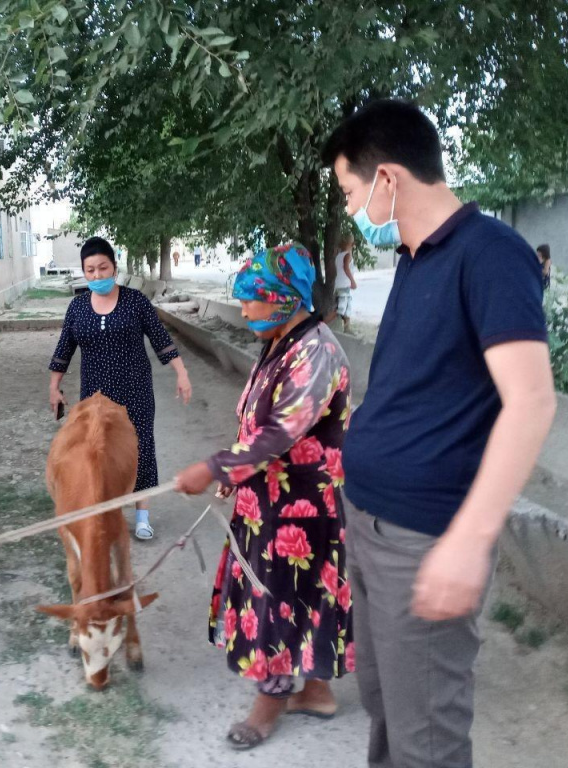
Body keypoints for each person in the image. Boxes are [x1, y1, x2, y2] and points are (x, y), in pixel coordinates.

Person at [321, 99, 556, 767]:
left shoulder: (491, 255)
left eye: (350, 191)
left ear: (388, 179)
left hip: (425, 539)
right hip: (369, 523)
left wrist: (468, 542)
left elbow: (532, 402)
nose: (349, 208)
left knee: (428, 739)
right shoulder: (415, 258)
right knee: (386, 707)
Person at [176, 243, 354, 751]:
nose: (245, 309)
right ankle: (316, 692)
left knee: (280, 599)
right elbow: (255, 425)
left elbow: (279, 434)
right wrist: (235, 474)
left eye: (254, 299)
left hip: (299, 509)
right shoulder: (282, 342)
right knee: (308, 597)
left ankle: (269, 704)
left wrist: (213, 467)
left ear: (283, 298)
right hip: (270, 500)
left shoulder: (316, 353)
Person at [49, 236, 193, 541]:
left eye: (103, 267)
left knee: (141, 450)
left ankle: (142, 516)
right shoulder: (77, 308)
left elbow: (160, 339)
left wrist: (181, 374)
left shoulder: (135, 302)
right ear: (84, 272)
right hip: (95, 399)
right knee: (98, 453)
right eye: (90, 270)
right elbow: (64, 349)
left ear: (114, 266)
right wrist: (54, 387)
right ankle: (106, 513)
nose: (97, 275)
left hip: (135, 391)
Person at [330, 234, 358, 332]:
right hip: (344, 285)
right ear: (352, 243)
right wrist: (353, 281)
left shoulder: (339, 256)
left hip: (339, 285)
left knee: (345, 307)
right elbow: (346, 268)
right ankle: (324, 324)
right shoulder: (347, 255)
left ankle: (347, 328)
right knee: (342, 309)